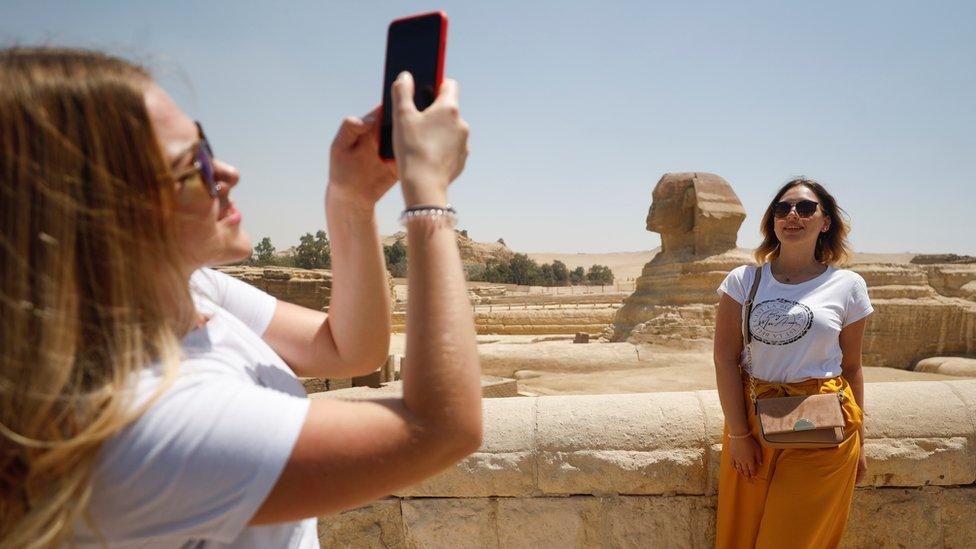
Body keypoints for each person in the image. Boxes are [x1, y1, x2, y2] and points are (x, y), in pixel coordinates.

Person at [0, 47, 479, 548]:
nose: (227, 172)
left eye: (204, 145)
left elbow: (346, 348)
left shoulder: (188, 289)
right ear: (102, 214)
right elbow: (440, 428)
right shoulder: (154, 425)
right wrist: (428, 194)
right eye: (193, 167)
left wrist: (351, 202)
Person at [713, 178, 873, 548]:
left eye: (805, 208)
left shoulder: (848, 286)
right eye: (783, 209)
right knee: (741, 536)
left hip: (823, 423)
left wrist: (861, 444)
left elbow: (852, 369)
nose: (793, 216)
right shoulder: (744, 280)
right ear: (772, 221)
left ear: (826, 221)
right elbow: (724, 358)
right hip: (753, 421)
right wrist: (739, 435)